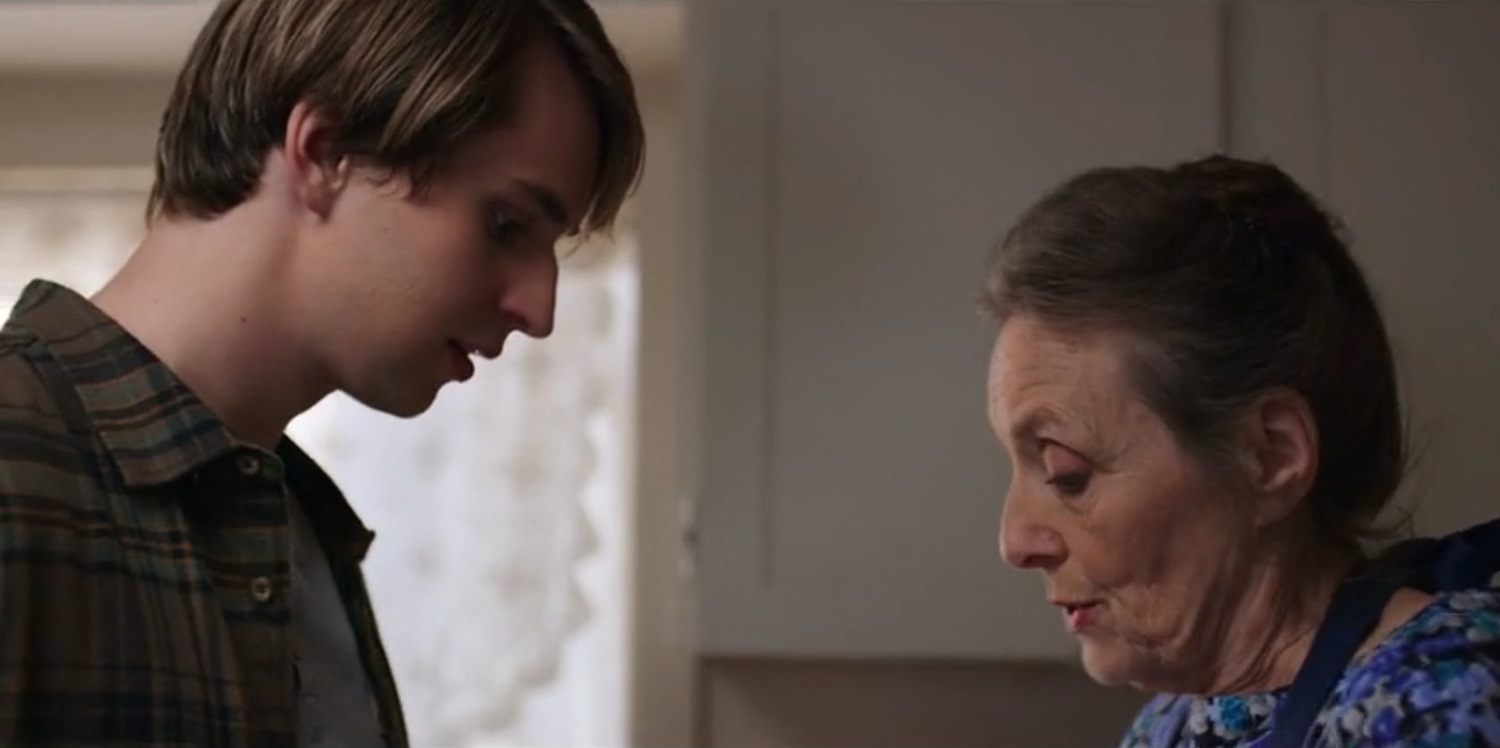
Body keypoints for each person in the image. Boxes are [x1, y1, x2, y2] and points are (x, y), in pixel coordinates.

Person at [0, 0, 643, 745]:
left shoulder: (296, 526)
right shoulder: (16, 469)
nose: (540, 309)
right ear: (326, 153)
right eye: (505, 224)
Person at [978, 154, 1500, 747]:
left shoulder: (1435, 702)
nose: (1015, 542)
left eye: (1066, 473)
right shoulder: (1166, 725)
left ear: (1271, 455)